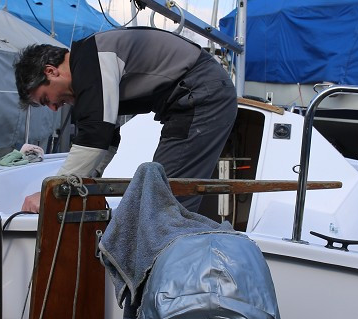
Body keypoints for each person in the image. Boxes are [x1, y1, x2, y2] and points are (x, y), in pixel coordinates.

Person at [14, 26, 237, 213]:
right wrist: (88, 180)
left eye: (45, 99)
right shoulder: (88, 68)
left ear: (51, 71)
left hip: (201, 93)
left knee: (165, 201)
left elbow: (95, 134)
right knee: (161, 196)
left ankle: (175, 260)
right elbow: (108, 136)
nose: (53, 108)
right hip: (192, 97)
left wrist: (51, 192)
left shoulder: (90, 60)